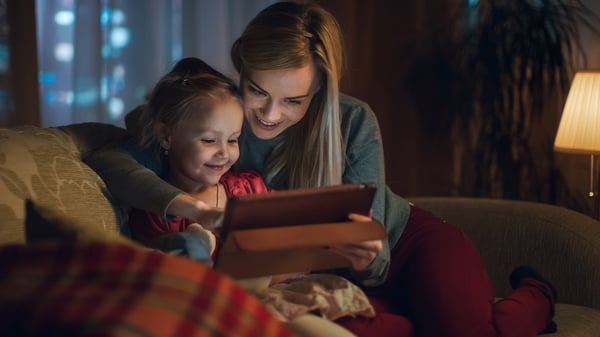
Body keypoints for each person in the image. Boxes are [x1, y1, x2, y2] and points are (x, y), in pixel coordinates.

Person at [86, 2, 557, 337]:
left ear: (319, 92)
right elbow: (114, 157)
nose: (269, 115)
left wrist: (367, 256)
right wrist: (183, 203)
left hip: (409, 244)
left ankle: (537, 294)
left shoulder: (352, 120)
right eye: (257, 91)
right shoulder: (218, 119)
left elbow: (378, 260)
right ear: (241, 67)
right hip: (326, 279)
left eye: (294, 100)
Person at [120, 57, 269, 259]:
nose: (224, 153)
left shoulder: (250, 189)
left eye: (233, 140)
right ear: (165, 136)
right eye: (209, 140)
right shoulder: (155, 215)